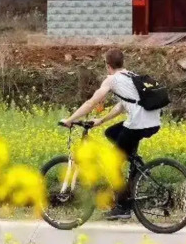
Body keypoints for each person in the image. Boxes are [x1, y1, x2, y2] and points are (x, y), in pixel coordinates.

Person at [60, 48, 161, 220]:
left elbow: (91, 102)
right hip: (152, 122)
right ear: (122, 62)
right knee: (111, 132)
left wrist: (70, 119)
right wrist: (101, 120)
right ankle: (135, 165)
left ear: (107, 65)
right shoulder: (131, 76)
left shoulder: (112, 79)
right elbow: (122, 105)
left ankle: (122, 208)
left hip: (138, 124)